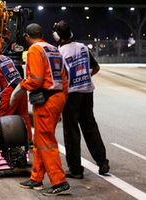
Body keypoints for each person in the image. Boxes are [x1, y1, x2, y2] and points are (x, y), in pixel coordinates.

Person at [10, 23, 70, 196]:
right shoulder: (53, 49)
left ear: (27, 37)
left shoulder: (35, 50)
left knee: (46, 142)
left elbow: (35, 80)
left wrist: (20, 87)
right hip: (56, 97)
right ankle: (36, 178)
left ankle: (59, 181)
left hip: (46, 99)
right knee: (40, 140)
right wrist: (61, 100)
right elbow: (64, 77)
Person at [52, 20, 110, 178]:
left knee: (71, 132)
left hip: (71, 95)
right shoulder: (82, 47)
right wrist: (84, 76)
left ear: (57, 36)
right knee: (90, 126)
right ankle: (102, 162)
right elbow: (96, 67)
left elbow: (59, 77)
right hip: (87, 92)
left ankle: (76, 169)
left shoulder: (60, 52)